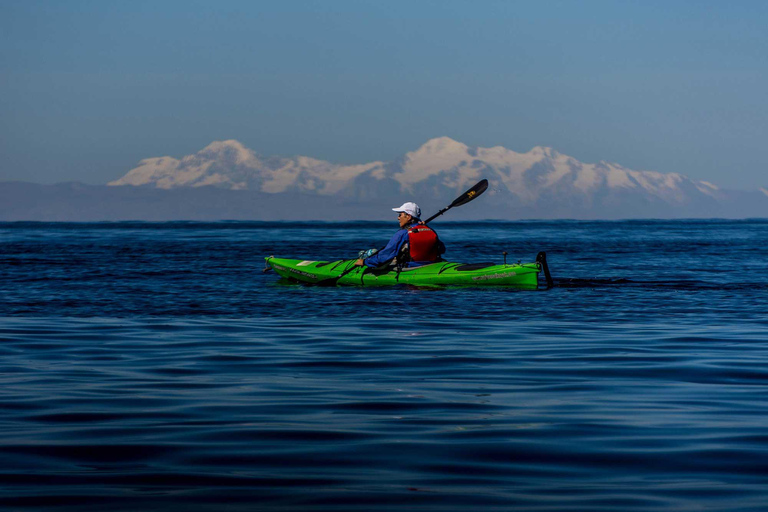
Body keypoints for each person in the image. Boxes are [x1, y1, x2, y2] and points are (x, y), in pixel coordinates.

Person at [354, 202, 445, 268]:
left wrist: (366, 262)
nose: (398, 218)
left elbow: (387, 254)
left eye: (400, 215)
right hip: (431, 265)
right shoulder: (429, 229)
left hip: (410, 267)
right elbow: (442, 249)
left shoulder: (402, 233)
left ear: (408, 217)